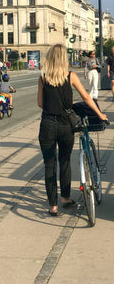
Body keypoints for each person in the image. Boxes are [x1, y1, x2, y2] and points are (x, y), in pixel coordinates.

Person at [37, 44, 107, 217]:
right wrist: (100, 114)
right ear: (63, 59)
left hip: (47, 124)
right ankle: (65, 198)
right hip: (65, 125)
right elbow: (86, 97)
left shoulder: (43, 78)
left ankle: (53, 206)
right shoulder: (71, 76)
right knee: (65, 161)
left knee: (49, 164)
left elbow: (40, 103)